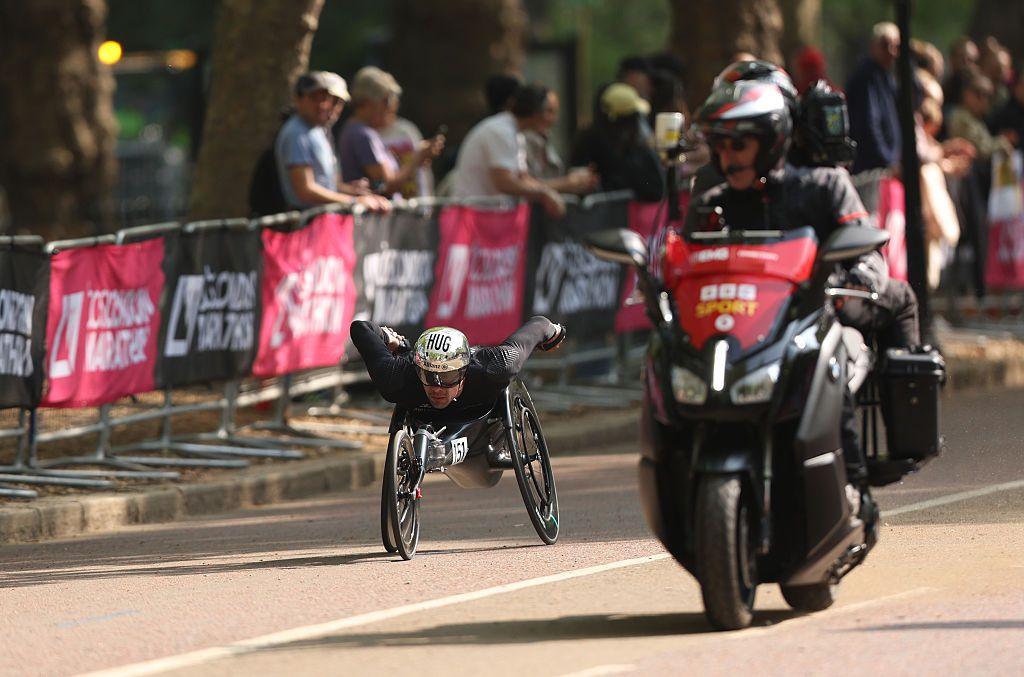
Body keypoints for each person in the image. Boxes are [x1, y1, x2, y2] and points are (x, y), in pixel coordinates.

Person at [685, 80, 921, 501]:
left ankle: (853, 485)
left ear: (771, 142)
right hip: (738, 325)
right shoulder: (709, 204)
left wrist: (856, 283)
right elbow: (682, 264)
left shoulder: (824, 186)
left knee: (829, 360)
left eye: (739, 145)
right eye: (720, 146)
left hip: (814, 317)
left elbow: (866, 248)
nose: (728, 157)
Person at [350, 318, 566, 434]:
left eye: (447, 378)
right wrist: (387, 337)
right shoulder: (396, 378)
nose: (436, 388)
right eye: (429, 375)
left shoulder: (495, 367)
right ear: (418, 370)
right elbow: (360, 328)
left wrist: (553, 332)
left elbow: (538, 326)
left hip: (483, 404)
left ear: (463, 373)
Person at [451, 83, 597, 217]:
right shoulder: (501, 132)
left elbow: (523, 181)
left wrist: (568, 183)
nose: (554, 119)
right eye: (550, 112)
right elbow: (505, 183)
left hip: (489, 218)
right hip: (472, 218)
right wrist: (550, 191)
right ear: (534, 112)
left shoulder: (515, 134)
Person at [275, 71, 390, 212]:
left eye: (326, 98)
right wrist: (354, 201)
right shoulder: (297, 133)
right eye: (314, 98)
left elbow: (324, 184)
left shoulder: (318, 130)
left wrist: (351, 191)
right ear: (298, 99)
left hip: (322, 221)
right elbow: (305, 190)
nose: (323, 105)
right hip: (305, 224)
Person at [338, 67, 444, 198]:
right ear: (367, 102)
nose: (390, 106)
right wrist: (417, 158)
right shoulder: (362, 135)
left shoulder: (355, 130)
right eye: (386, 100)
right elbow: (387, 186)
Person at [571, 83, 664, 201]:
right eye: (632, 118)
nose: (637, 126)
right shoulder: (590, 143)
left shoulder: (636, 148)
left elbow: (656, 188)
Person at [846, 22, 902, 175]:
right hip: (872, 168)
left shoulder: (886, 77)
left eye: (896, 46)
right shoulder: (866, 77)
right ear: (873, 46)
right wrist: (886, 159)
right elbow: (869, 122)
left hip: (887, 163)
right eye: (885, 45)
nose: (891, 52)